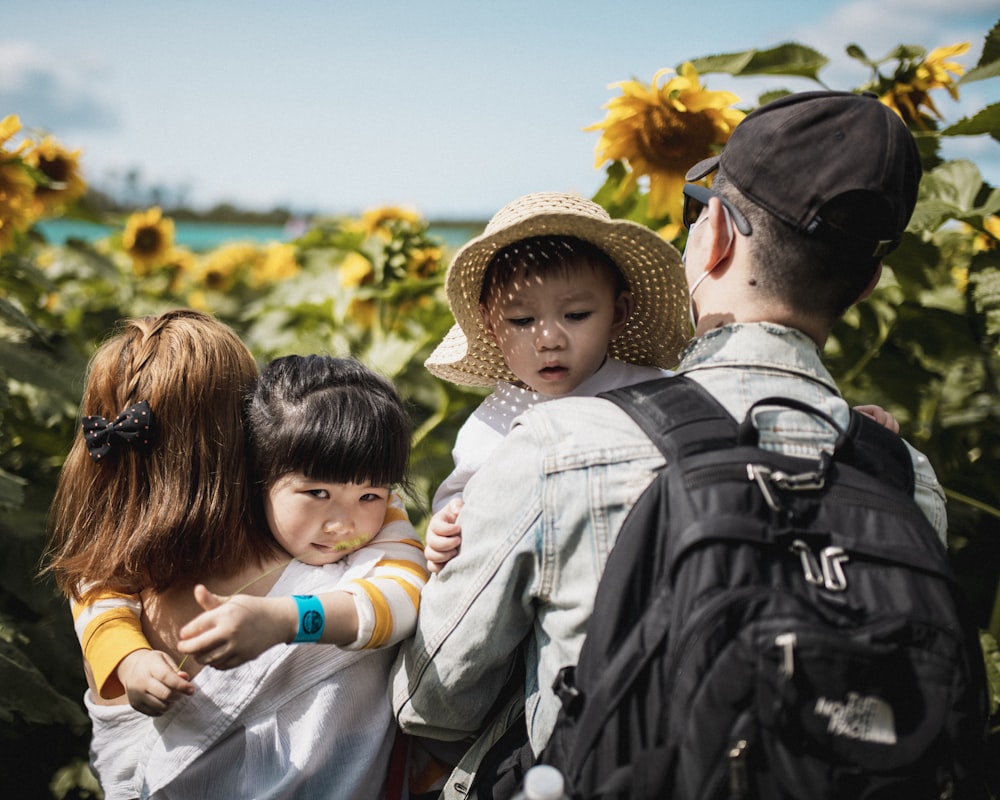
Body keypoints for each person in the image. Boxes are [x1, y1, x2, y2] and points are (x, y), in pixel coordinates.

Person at [391, 91, 946, 796]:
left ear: (713, 235)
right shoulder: (901, 471)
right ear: (867, 282)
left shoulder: (560, 442)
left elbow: (432, 698)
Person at [44, 310, 425, 799]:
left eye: (371, 494)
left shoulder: (357, 509)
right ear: (241, 436)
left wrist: (288, 619)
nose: (345, 521)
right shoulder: (339, 519)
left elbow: (403, 589)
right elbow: (96, 587)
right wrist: (130, 660)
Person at [421, 191, 690, 572]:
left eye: (576, 315)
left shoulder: (655, 393)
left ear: (618, 313)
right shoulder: (492, 424)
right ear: (491, 326)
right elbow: (457, 504)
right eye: (521, 321)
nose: (549, 339)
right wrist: (444, 529)